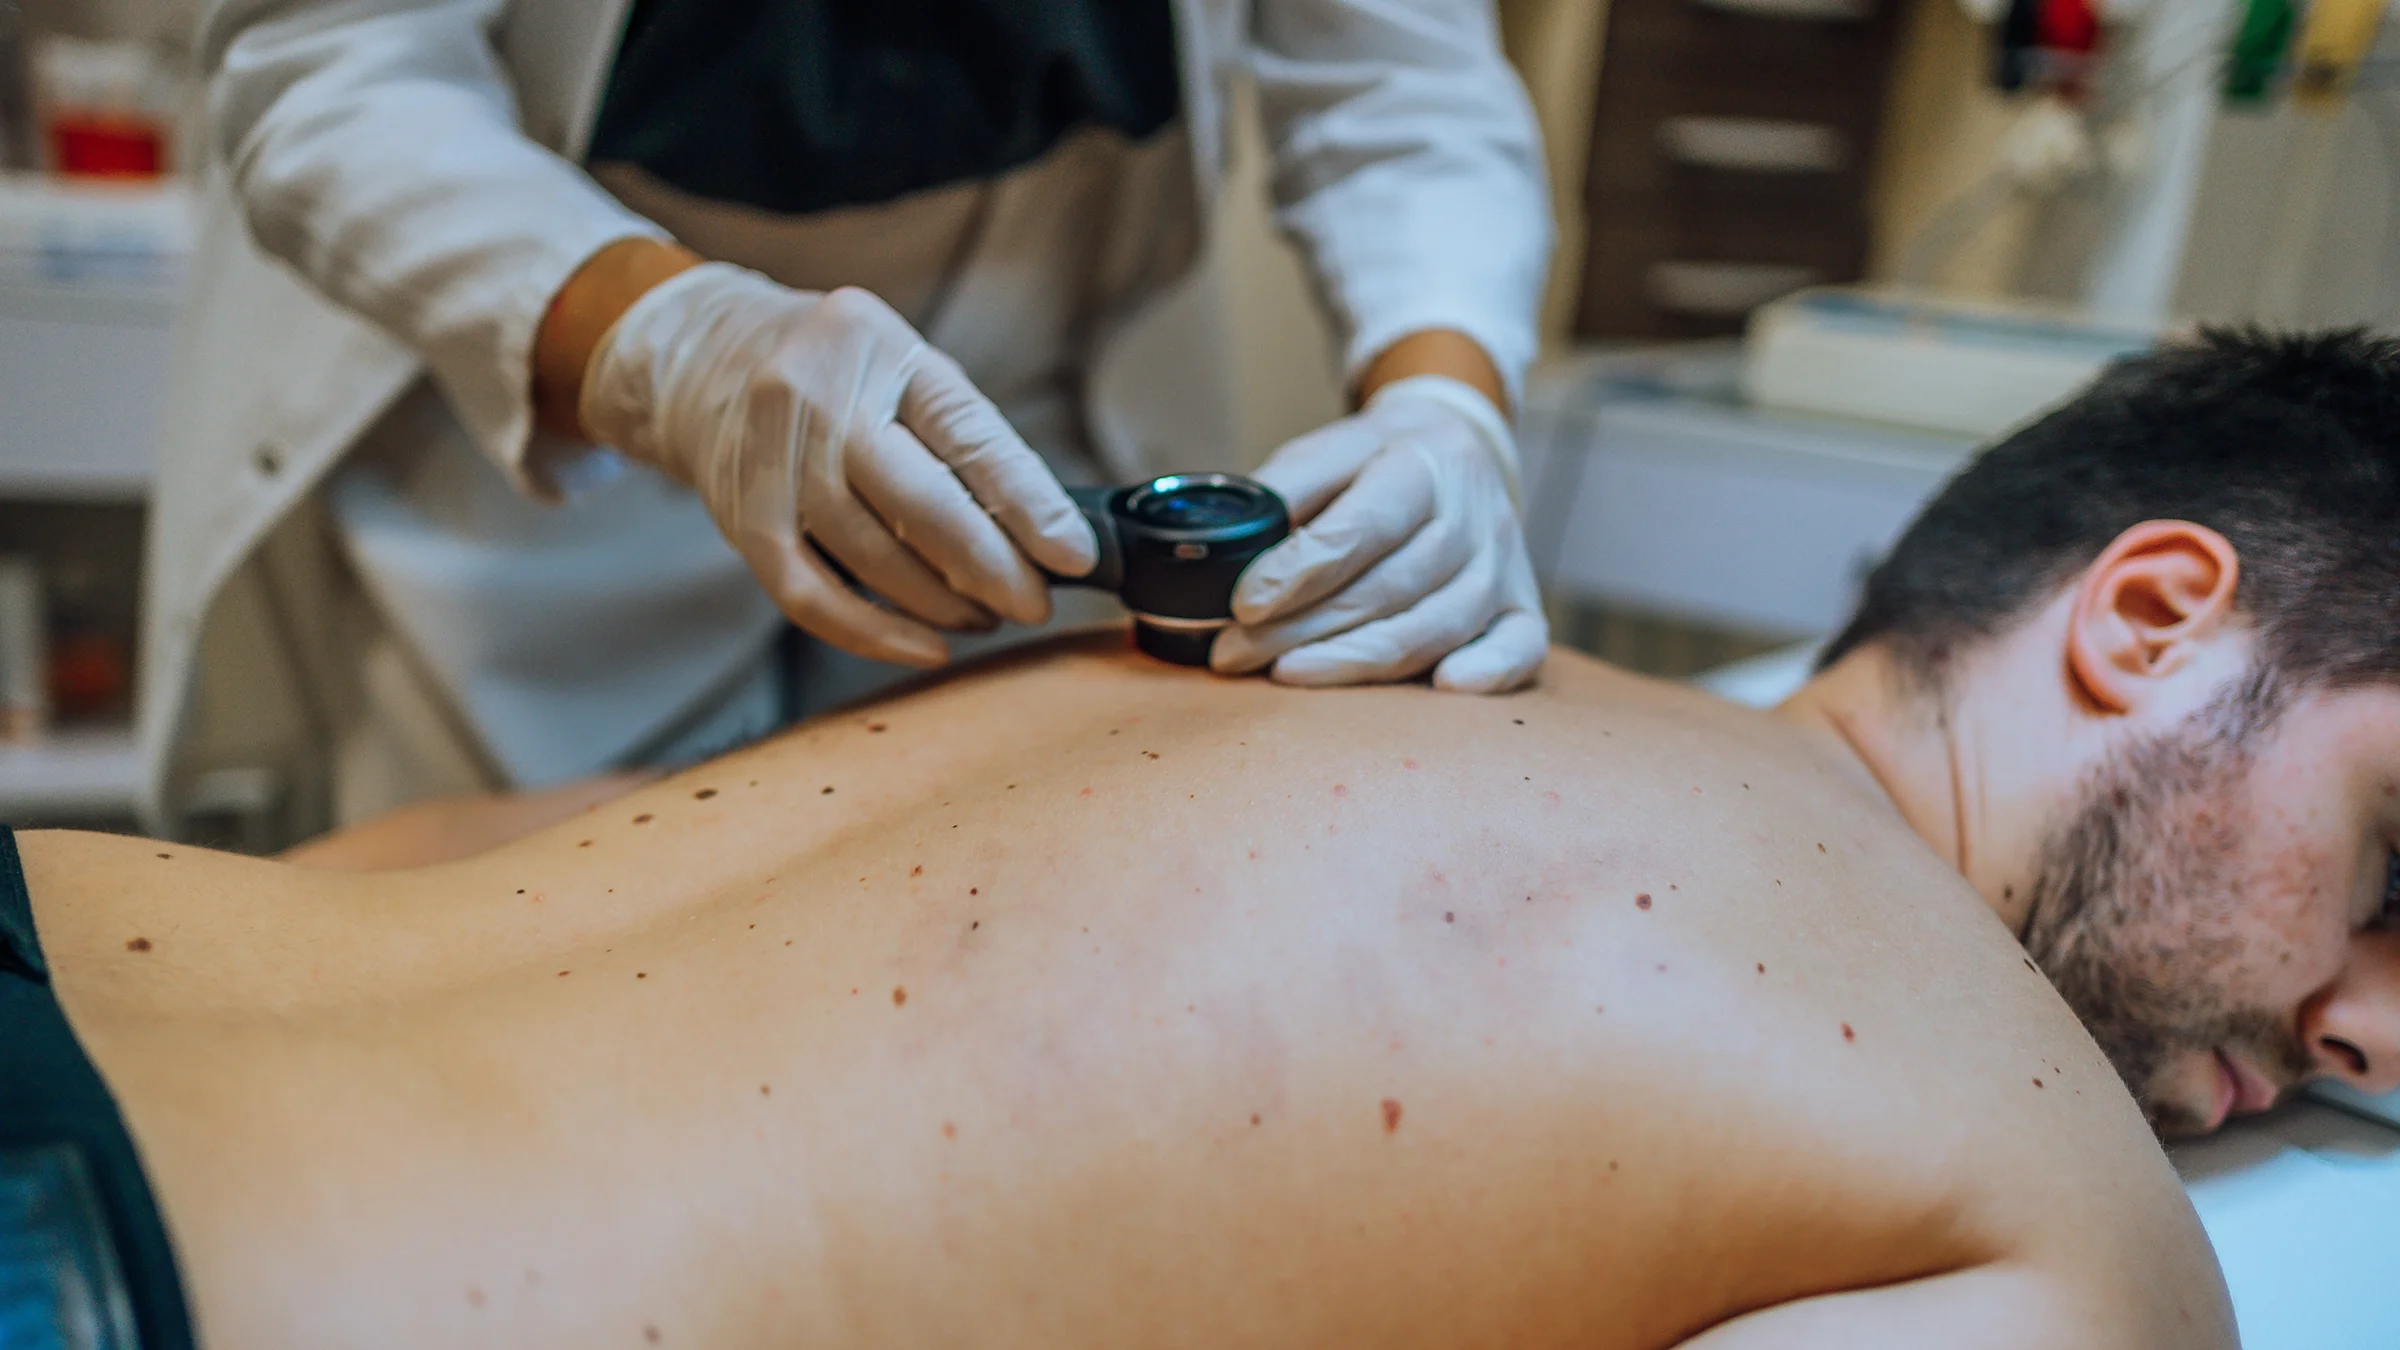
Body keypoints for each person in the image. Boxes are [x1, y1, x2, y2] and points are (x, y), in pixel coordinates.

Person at [33, 325, 2400, 1348]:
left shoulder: (1292, 654)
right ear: (2158, 617)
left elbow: (436, 865)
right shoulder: (2060, 1228)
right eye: (2397, 868)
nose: (2374, 1037)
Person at [138, 0, 1554, 841]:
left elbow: (1398, 76)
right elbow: (330, 75)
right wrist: (675, 346)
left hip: (1041, 350)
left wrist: (1446, 404)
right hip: (562, 351)